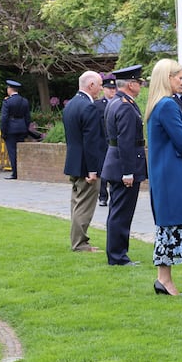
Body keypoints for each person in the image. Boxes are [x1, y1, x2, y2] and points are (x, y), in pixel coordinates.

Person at [146, 59, 182, 297]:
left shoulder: (159, 104)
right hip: (172, 175)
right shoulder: (167, 105)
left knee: (166, 226)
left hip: (165, 173)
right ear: (167, 78)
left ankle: (163, 279)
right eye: (178, 76)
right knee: (169, 227)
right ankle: (165, 281)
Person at [101, 65, 147, 266]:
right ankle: (118, 256)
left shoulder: (116, 102)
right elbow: (126, 141)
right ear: (131, 84)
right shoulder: (125, 106)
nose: (141, 85)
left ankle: (117, 253)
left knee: (117, 211)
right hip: (123, 166)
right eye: (139, 82)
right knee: (121, 213)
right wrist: (128, 171)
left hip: (115, 162)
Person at [62, 71, 106, 253]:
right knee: (84, 205)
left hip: (73, 162)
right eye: (100, 85)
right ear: (91, 86)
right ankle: (80, 244)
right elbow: (91, 142)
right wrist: (93, 170)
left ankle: (79, 240)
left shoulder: (71, 105)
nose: (101, 88)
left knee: (77, 203)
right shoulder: (89, 107)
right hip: (85, 166)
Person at [0, 80, 31, 180]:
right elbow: (28, 118)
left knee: (12, 151)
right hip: (21, 128)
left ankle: (15, 173)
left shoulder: (7, 102)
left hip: (11, 130)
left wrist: (3, 132)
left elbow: (4, 118)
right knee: (20, 151)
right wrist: (25, 129)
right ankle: (21, 171)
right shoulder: (24, 101)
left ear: (9, 89)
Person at [96, 75, 117, 207]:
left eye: (114, 88)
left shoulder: (119, 103)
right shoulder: (98, 105)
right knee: (103, 170)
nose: (112, 91)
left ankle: (114, 195)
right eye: (109, 89)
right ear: (103, 89)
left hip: (114, 141)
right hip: (102, 141)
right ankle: (103, 196)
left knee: (115, 170)